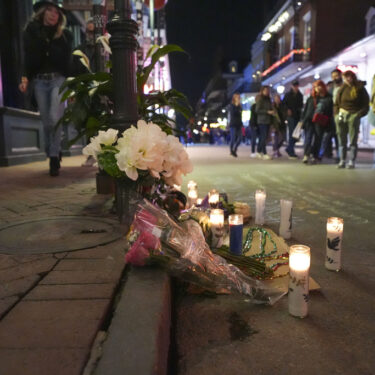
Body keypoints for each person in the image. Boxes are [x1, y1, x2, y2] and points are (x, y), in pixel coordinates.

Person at [19, 0, 72, 176]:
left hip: (59, 80)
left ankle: (53, 157)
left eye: (57, 12)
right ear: (42, 12)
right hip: (40, 81)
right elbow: (27, 58)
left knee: (54, 117)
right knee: (46, 121)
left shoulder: (64, 35)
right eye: (50, 10)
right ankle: (55, 150)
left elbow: (67, 62)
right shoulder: (31, 32)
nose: (53, 14)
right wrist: (25, 77)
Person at [334, 70, 369, 169]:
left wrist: (359, 114)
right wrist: (336, 114)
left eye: (350, 76)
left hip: (354, 115)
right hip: (341, 114)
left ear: (353, 77)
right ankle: (342, 160)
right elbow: (336, 103)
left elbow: (365, 104)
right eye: (346, 77)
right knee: (341, 139)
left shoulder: (360, 88)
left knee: (353, 140)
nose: (348, 79)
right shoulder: (341, 89)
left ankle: (351, 161)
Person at [301, 80, 333, 165]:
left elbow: (330, 111)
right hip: (309, 121)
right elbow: (306, 110)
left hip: (320, 121)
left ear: (323, 86)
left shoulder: (328, 98)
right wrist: (302, 121)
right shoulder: (311, 98)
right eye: (315, 87)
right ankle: (306, 155)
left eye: (319, 86)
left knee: (318, 139)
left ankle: (314, 155)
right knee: (308, 138)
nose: (317, 88)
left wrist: (329, 122)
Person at [320, 69, 343, 161]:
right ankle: (322, 153)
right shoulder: (330, 88)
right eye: (333, 76)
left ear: (340, 75)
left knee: (339, 136)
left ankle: (339, 155)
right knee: (327, 136)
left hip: (340, 114)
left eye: (336, 76)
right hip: (330, 116)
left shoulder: (344, 87)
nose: (334, 78)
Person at [283, 80, 303, 159]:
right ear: (292, 86)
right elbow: (284, 104)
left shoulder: (300, 95)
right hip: (291, 117)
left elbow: (300, 105)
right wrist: (287, 110)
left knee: (296, 134)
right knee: (292, 133)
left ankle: (289, 148)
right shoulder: (288, 95)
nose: (295, 87)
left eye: (296, 85)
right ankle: (291, 150)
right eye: (294, 86)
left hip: (297, 116)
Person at [255, 86, 274, 160]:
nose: (266, 91)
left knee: (263, 137)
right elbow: (257, 110)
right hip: (262, 121)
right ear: (262, 91)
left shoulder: (268, 99)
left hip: (267, 120)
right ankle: (264, 153)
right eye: (265, 90)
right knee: (263, 137)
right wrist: (267, 112)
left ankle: (259, 151)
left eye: (267, 90)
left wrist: (272, 111)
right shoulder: (260, 99)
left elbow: (270, 108)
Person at [228, 93, 243, 157]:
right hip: (233, 124)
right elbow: (233, 113)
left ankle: (235, 149)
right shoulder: (232, 105)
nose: (238, 98)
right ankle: (231, 151)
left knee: (240, 138)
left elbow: (240, 115)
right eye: (237, 97)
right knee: (233, 138)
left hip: (239, 124)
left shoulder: (240, 106)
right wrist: (236, 106)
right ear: (234, 98)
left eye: (239, 97)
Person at [272, 94, 286, 158]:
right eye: (276, 98)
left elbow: (284, 114)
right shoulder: (272, 106)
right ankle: (276, 150)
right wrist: (272, 126)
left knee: (283, 138)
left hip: (282, 123)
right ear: (274, 99)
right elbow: (271, 117)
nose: (277, 100)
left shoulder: (282, 106)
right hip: (275, 124)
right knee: (276, 138)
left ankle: (276, 148)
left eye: (278, 98)